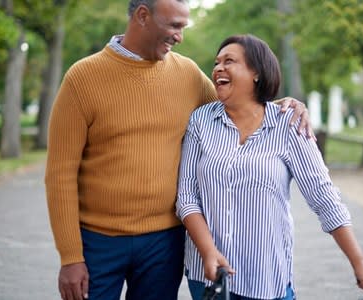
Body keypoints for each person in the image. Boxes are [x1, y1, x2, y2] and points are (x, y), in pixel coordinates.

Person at [45, 1, 313, 300]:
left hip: (164, 243)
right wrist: (70, 257)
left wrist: (284, 107)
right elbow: (60, 175)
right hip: (97, 241)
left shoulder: (187, 74)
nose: (179, 36)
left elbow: (239, 106)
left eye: (183, 27)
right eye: (174, 26)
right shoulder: (82, 78)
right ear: (143, 16)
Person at [176, 34, 363, 300]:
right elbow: (186, 197)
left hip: (266, 277)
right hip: (208, 275)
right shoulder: (201, 121)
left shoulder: (289, 125)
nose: (218, 68)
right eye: (217, 62)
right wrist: (208, 251)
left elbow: (323, 197)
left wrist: (359, 262)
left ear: (256, 73)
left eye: (230, 61)